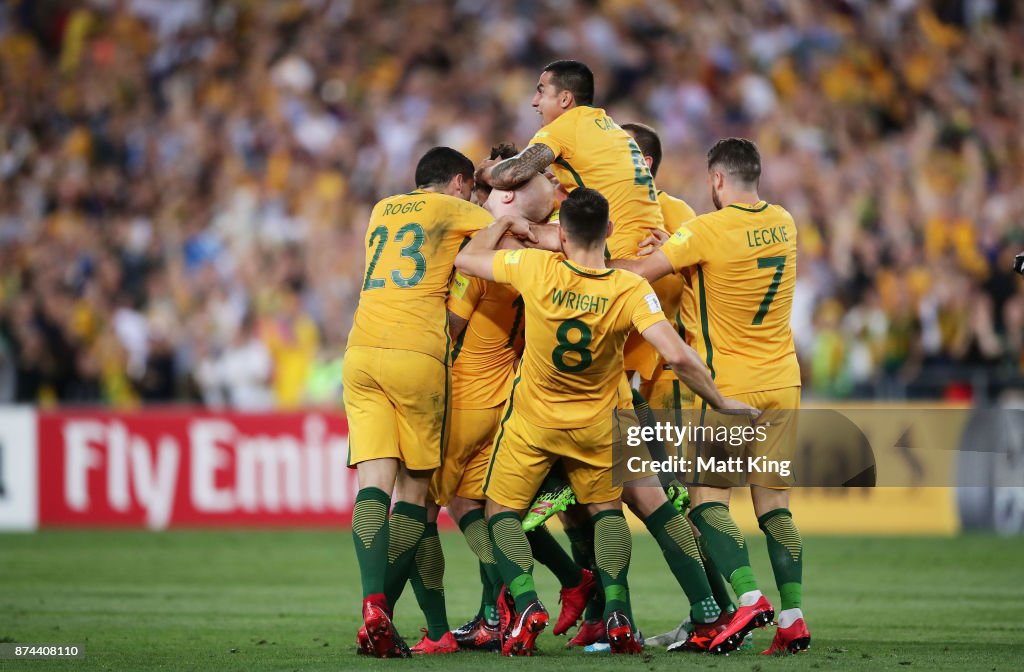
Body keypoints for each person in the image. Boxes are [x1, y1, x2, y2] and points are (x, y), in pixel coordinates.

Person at [453, 187, 759, 656]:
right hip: (600, 424)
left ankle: (529, 604)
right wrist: (720, 400)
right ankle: (619, 610)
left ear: (562, 235)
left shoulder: (535, 269)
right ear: (610, 231)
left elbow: (468, 260)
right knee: (610, 513)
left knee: (500, 514)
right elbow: (677, 354)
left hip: (534, 423)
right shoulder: (630, 288)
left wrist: (504, 226)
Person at [611, 138, 808, 655]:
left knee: (706, 501)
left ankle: (747, 597)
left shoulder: (704, 230)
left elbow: (635, 275)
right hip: (784, 381)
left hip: (732, 387)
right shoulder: (785, 222)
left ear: (716, 180)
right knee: (775, 509)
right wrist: (681, 247)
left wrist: (660, 251)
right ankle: (793, 618)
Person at [344, 146, 533, 658]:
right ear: (457, 182)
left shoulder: (382, 208)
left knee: (372, 486)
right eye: (471, 187)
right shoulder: (455, 209)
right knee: (415, 495)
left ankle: (373, 606)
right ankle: (395, 615)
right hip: (418, 354)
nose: (474, 196)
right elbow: (506, 224)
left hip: (360, 352)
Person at [433, 145, 594, 653]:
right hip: (513, 393)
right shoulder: (548, 253)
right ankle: (564, 584)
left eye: (488, 190)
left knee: (454, 505)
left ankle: (499, 609)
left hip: (470, 394)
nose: (480, 199)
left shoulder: (486, 258)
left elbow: (450, 328)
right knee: (497, 510)